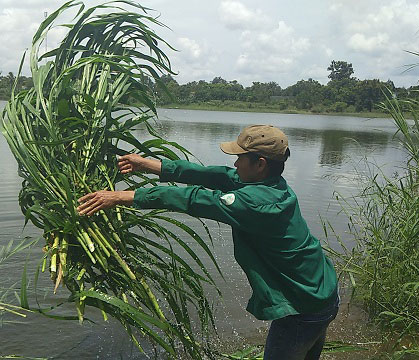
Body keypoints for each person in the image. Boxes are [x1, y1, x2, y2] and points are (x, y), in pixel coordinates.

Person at [77, 124, 339, 359]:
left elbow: (193, 198)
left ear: (260, 163)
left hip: (302, 309)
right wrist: (147, 164)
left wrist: (121, 197)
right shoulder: (272, 184)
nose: (235, 164)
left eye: (240, 158)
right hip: (323, 291)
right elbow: (212, 175)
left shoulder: (255, 202)